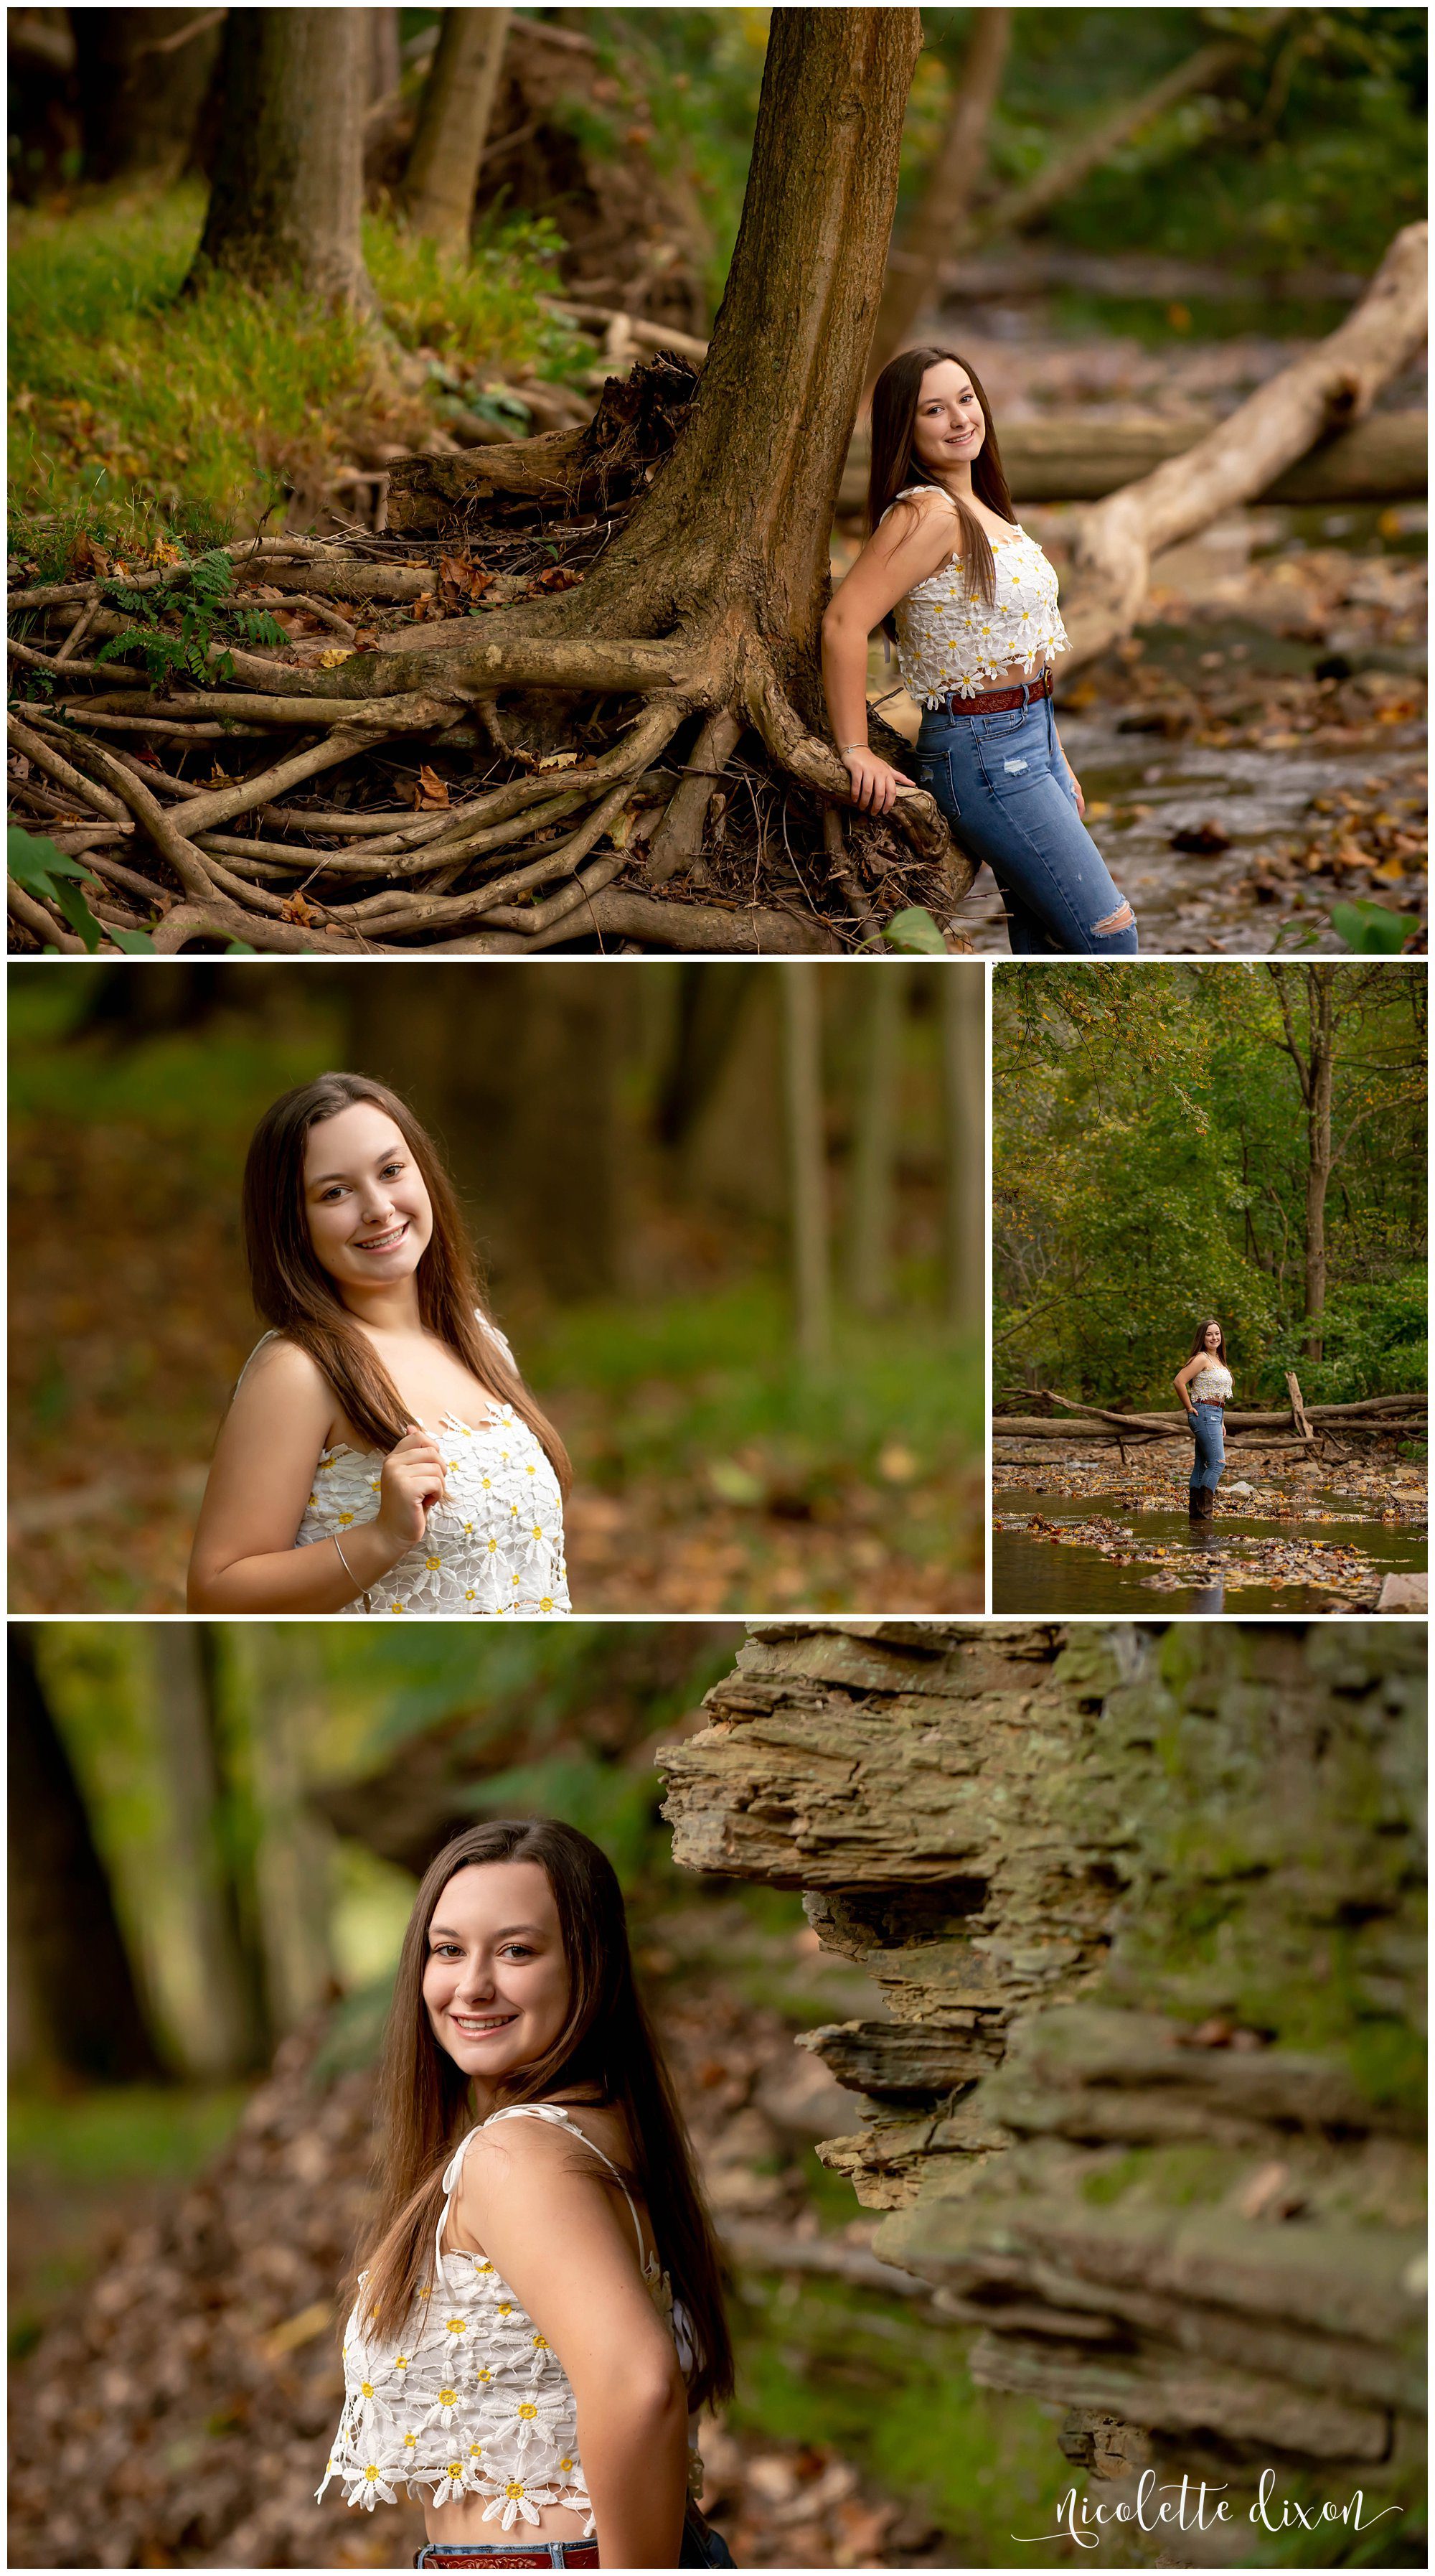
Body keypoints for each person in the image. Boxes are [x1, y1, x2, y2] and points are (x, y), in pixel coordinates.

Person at [319, 1818, 736, 2570]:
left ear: (589, 1968)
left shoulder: (515, 2155)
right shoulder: (596, 2129)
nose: (472, 1985)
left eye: (516, 1950)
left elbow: (638, 2384)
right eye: (448, 1949)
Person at [187, 1072, 570, 1616]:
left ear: (423, 1173)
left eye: (391, 1171)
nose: (379, 1208)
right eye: (335, 1192)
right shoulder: (299, 1372)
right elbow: (216, 1593)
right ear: (293, 1223)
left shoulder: (477, 1339)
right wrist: (381, 1537)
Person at [821, 345, 1139, 955]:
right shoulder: (925, 514)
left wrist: (1056, 753)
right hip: (984, 754)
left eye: (965, 399)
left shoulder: (984, 507)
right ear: (905, 429)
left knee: (1047, 938)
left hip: (1033, 736)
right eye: (934, 410)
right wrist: (854, 749)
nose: (960, 418)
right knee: (1111, 935)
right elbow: (842, 623)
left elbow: (1020, 649)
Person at [1174, 1319, 1233, 1521]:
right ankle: (1205, 1515)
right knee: (1217, 1463)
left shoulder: (1218, 1359)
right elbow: (1179, 1381)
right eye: (1209, 1334)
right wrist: (1189, 1407)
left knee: (1201, 1465)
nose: (1214, 1337)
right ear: (1202, 1337)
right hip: (1204, 1413)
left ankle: (1196, 1518)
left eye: (1217, 1333)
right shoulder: (1201, 1358)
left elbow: (1218, 1394)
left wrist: (1222, 1421)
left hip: (1215, 1414)